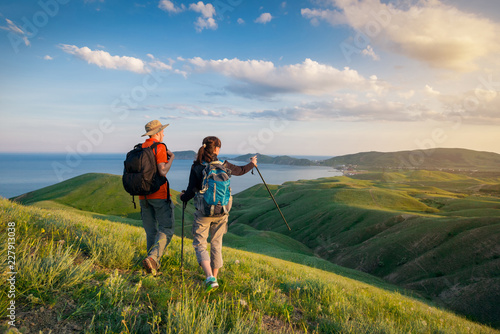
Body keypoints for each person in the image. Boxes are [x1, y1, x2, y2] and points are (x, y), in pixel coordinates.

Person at [180, 136, 257, 292]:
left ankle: (210, 278)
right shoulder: (224, 165)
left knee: (200, 243)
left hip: (203, 212)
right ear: (217, 150)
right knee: (216, 244)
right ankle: (215, 277)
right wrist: (252, 164)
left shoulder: (197, 167)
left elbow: (190, 191)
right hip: (222, 211)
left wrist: (183, 197)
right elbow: (241, 170)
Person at [139, 120, 175, 276]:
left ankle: (150, 264)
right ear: (158, 132)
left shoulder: (141, 148)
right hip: (159, 194)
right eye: (162, 131)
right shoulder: (159, 147)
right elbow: (162, 171)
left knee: (151, 230)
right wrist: (171, 158)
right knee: (166, 228)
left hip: (142, 194)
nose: (164, 134)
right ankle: (153, 259)